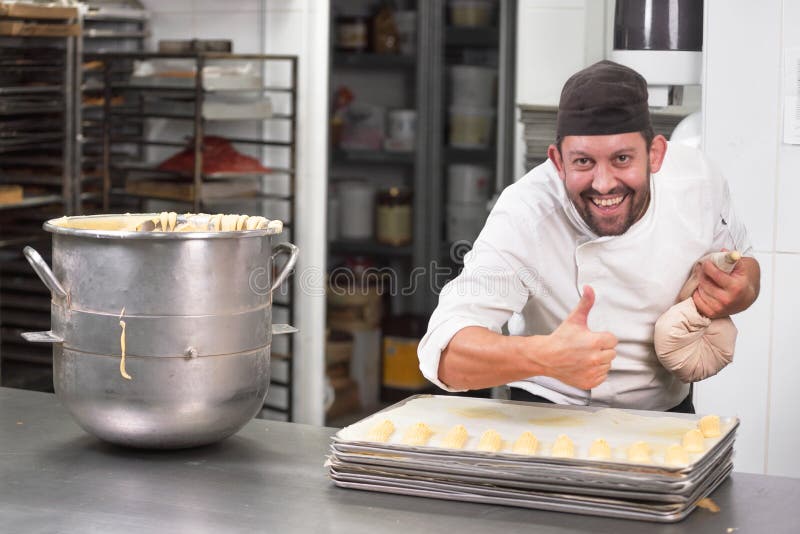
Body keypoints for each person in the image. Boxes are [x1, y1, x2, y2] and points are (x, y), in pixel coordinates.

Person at [417, 60, 760, 413]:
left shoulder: (698, 183)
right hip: (548, 411)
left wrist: (741, 291)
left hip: (665, 415)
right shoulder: (526, 212)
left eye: (622, 158)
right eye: (583, 162)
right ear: (558, 161)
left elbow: (745, 262)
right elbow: (443, 354)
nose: (603, 183)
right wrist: (542, 357)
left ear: (654, 154)